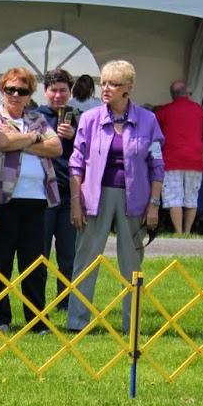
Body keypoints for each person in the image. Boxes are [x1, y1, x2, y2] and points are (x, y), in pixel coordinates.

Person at [66, 60, 164, 333]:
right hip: (93, 198)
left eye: (113, 84)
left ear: (128, 88)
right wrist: (75, 203)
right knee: (85, 259)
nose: (106, 89)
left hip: (135, 199)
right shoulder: (89, 119)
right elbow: (76, 164)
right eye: (104, 83)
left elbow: (157, 165)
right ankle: (76, 323)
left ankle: (131, 326)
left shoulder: (148, 120)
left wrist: (154, 204)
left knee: (132, 263)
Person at [0, 68, 64, 332]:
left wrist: (20, 140)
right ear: (2, 91)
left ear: (30, 95)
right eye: (11, 89)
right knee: (0, 262)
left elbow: (57, 147)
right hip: (3, 200)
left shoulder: (37, 118)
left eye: (22, 90)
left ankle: (36, 320)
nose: (16, 95)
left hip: (37, 200)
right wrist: (34, 138)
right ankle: (0, 318)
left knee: (35, 265)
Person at [34, 69, 80, 303]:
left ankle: (66, 303)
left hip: (70, 194)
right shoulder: (35, 117)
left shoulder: (79, 118)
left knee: (69, 254)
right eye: (53, 90)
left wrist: (75, 136)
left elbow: (90, 153)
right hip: (43, 193)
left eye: (63, 90)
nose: (58, 95)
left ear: (70, 92)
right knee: (40, 253)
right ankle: (37, 301)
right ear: (45, 92)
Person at [154, 80, 203, 235]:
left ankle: (178, 232)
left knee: (174, 198)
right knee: (191, 198)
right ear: (187, 93)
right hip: (194, 160)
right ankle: (187, 232)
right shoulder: (198, 109)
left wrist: (155, 158)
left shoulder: (163, 111)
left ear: (172, 95)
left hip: (170, 161)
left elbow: (154, 137)